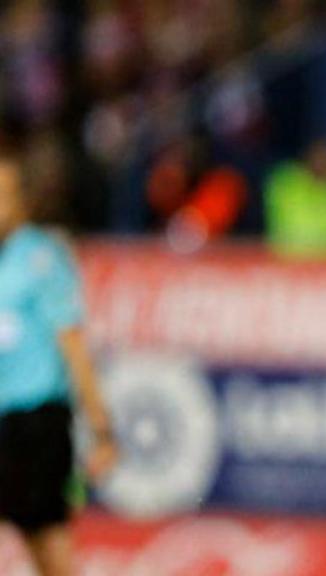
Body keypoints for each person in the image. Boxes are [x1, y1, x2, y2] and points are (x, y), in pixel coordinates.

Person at [0, 149, 118, 576]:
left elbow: (75, 349)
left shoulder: (42, 259)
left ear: (21, 201)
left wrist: (102, 430)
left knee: (47, 545)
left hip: (37, 422)